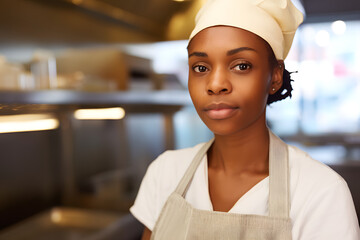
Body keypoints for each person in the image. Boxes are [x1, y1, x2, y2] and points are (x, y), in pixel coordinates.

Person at [130, 0, 360, 239]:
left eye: (241, 65)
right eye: (200, 68)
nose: (216, 84)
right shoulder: (165, 172)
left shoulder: (320, 192)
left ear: (276, 77)